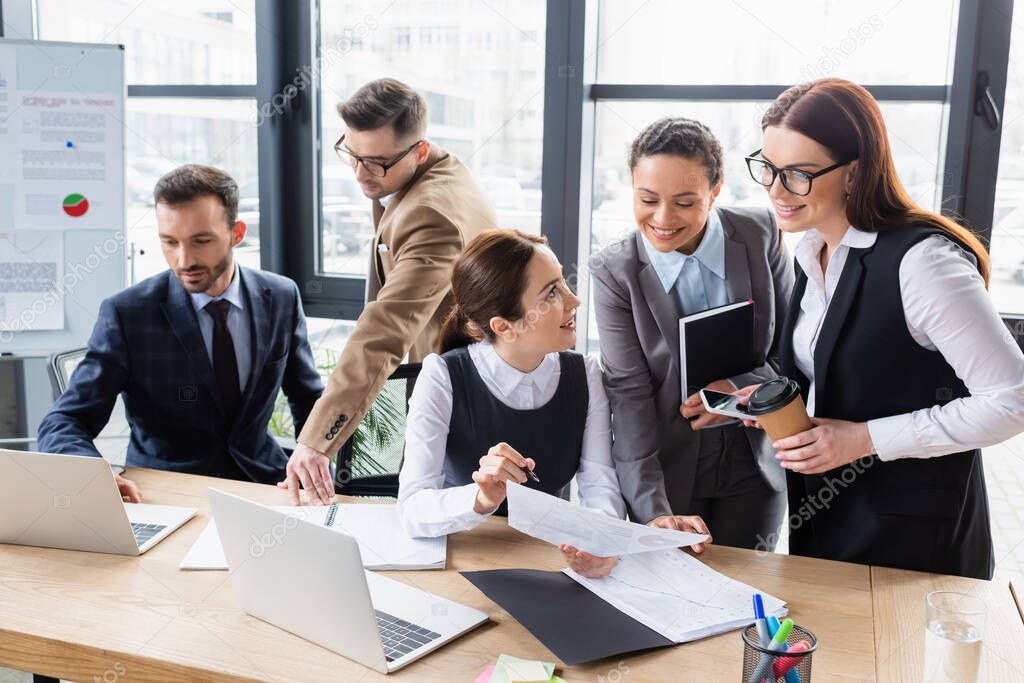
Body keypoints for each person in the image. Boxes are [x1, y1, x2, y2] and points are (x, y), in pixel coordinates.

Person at [740, 77, 1024, 579]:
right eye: (768, 168)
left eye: (800, 174)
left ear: (854, 173)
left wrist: (865, 439)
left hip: (914, 541)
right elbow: (840, 371)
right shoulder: (809, 251)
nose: (777, 191)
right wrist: (769, 405)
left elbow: (1012, 401)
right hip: (830, 520)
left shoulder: (922, 263)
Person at [396, 229, 711, 578]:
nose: (574, 300)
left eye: (563, 283)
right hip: (462, 559)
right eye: (552, 293)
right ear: (504, 326)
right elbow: (412, 510)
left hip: (543, 560)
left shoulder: (585, 374)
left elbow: (599, 485)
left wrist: (602, 545)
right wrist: (481, 498)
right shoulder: (442, 375)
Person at [37, 164, 324, 500]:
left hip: (263, 484)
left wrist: (318, 460)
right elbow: (64, 420)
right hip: (163, 493)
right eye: (169, 242)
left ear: (237, 232)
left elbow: (306, 397)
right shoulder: (128, 314)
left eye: (201, 241)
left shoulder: (281, 296)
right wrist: (92, 477)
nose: (184, 259)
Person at [285, 78, 498, 505]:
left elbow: (386, 327)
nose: (362, 173)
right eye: (352, 155)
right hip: (441, 384)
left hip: (466, 404)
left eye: (377, 162)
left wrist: (314, 441)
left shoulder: (431, 214)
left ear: (419, 150)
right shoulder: (421, 171)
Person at [589, 118, 793, 549]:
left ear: (715, 191)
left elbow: (791, 351)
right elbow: (629, 395)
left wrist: (738, 393)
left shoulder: (761, 235)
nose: (662, 218)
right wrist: (654, 510)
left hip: (755, 459)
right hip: (667, 469)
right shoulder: (614, 272)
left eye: (685, 202)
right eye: (647, 199)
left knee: (753, 592)